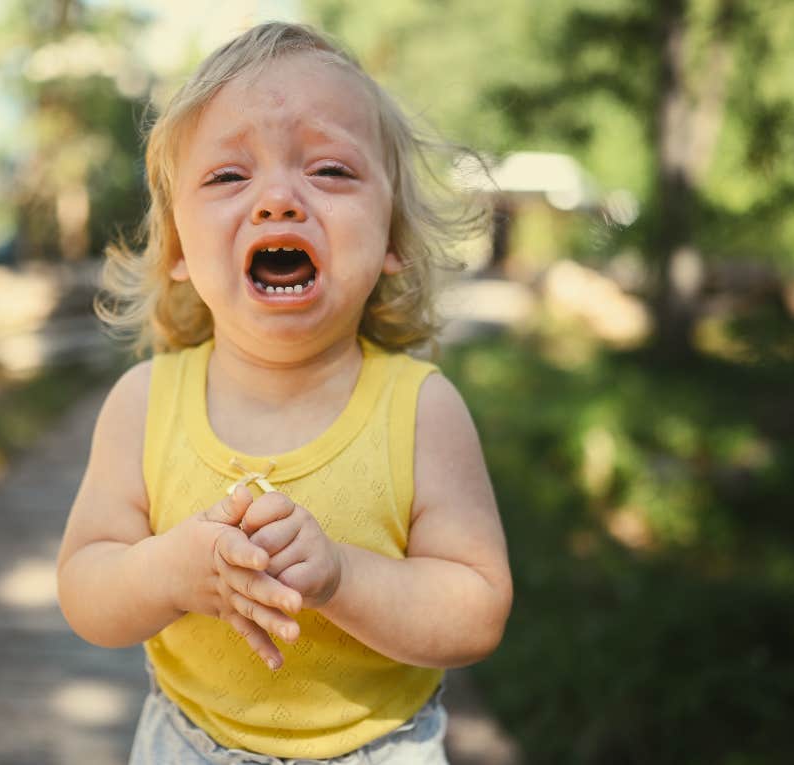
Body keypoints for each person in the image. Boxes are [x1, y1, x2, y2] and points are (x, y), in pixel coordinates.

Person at [56, 21, 512, 764]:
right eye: (229, 176)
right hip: (187, 743)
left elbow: (475, 611)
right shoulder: (143, 404)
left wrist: (341, 574)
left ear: (391, 236)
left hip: (379, 749)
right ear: (176, 249)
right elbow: (85, 588)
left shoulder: (422, 410)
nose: (277, 199)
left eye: (329, 170)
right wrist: (169, 570)